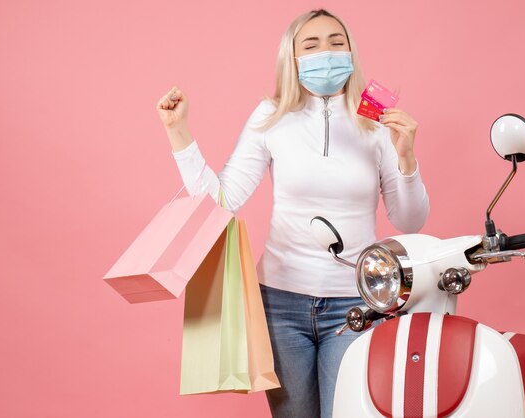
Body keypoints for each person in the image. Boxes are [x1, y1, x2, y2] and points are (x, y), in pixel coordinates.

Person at [156, 8, 429, 418]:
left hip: (358, 300)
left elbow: (410, 221)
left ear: (352, 53)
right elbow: (222, 201)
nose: (327, 53)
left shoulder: (377, 120)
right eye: (312, 44)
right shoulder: (271, 116)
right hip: (280, 303)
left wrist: (406, 156)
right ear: (293, 57)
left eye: (337, 43)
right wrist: (179, 134)